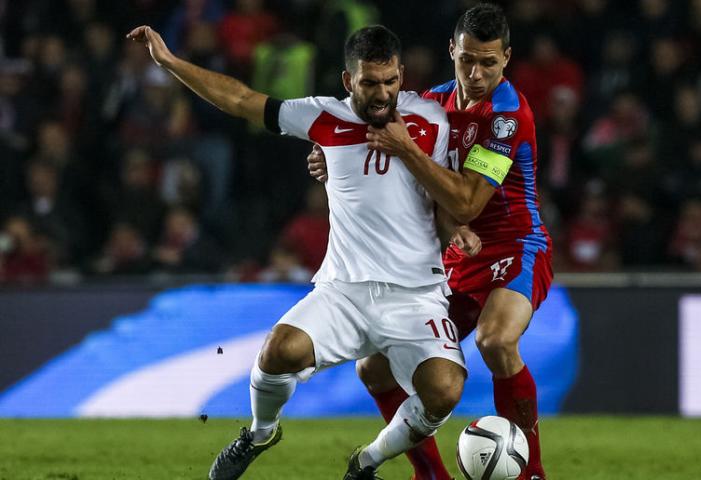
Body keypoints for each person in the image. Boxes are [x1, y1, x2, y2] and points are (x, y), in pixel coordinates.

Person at [127, 23, 477, 480]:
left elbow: (444, 195)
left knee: (445, 390)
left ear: (401, 75)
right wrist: (171, 63)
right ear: (349, 80)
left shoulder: (432, 120)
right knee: (278, 351)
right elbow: (240, 100)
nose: (382, 93)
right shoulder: (322, 118)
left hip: (415, 293)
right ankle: (260, 432)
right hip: (343, 291)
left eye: (391, 81)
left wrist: (458, 230)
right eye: (370, 83)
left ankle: (366, 461)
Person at [309, 4, 552, 479]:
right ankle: (431, 474)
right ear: (451, 52)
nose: (476, 74)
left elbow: (465, 204)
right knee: (373, 370)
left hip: (513, 248)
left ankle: (532, 474)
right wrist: (324, 157)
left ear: (506, 58)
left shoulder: (508, 116)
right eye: (467, 61)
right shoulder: (428, 103)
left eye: (489, 63)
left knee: (496, 340)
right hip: (452, 256)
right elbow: (361, 130)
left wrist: (404, 148)